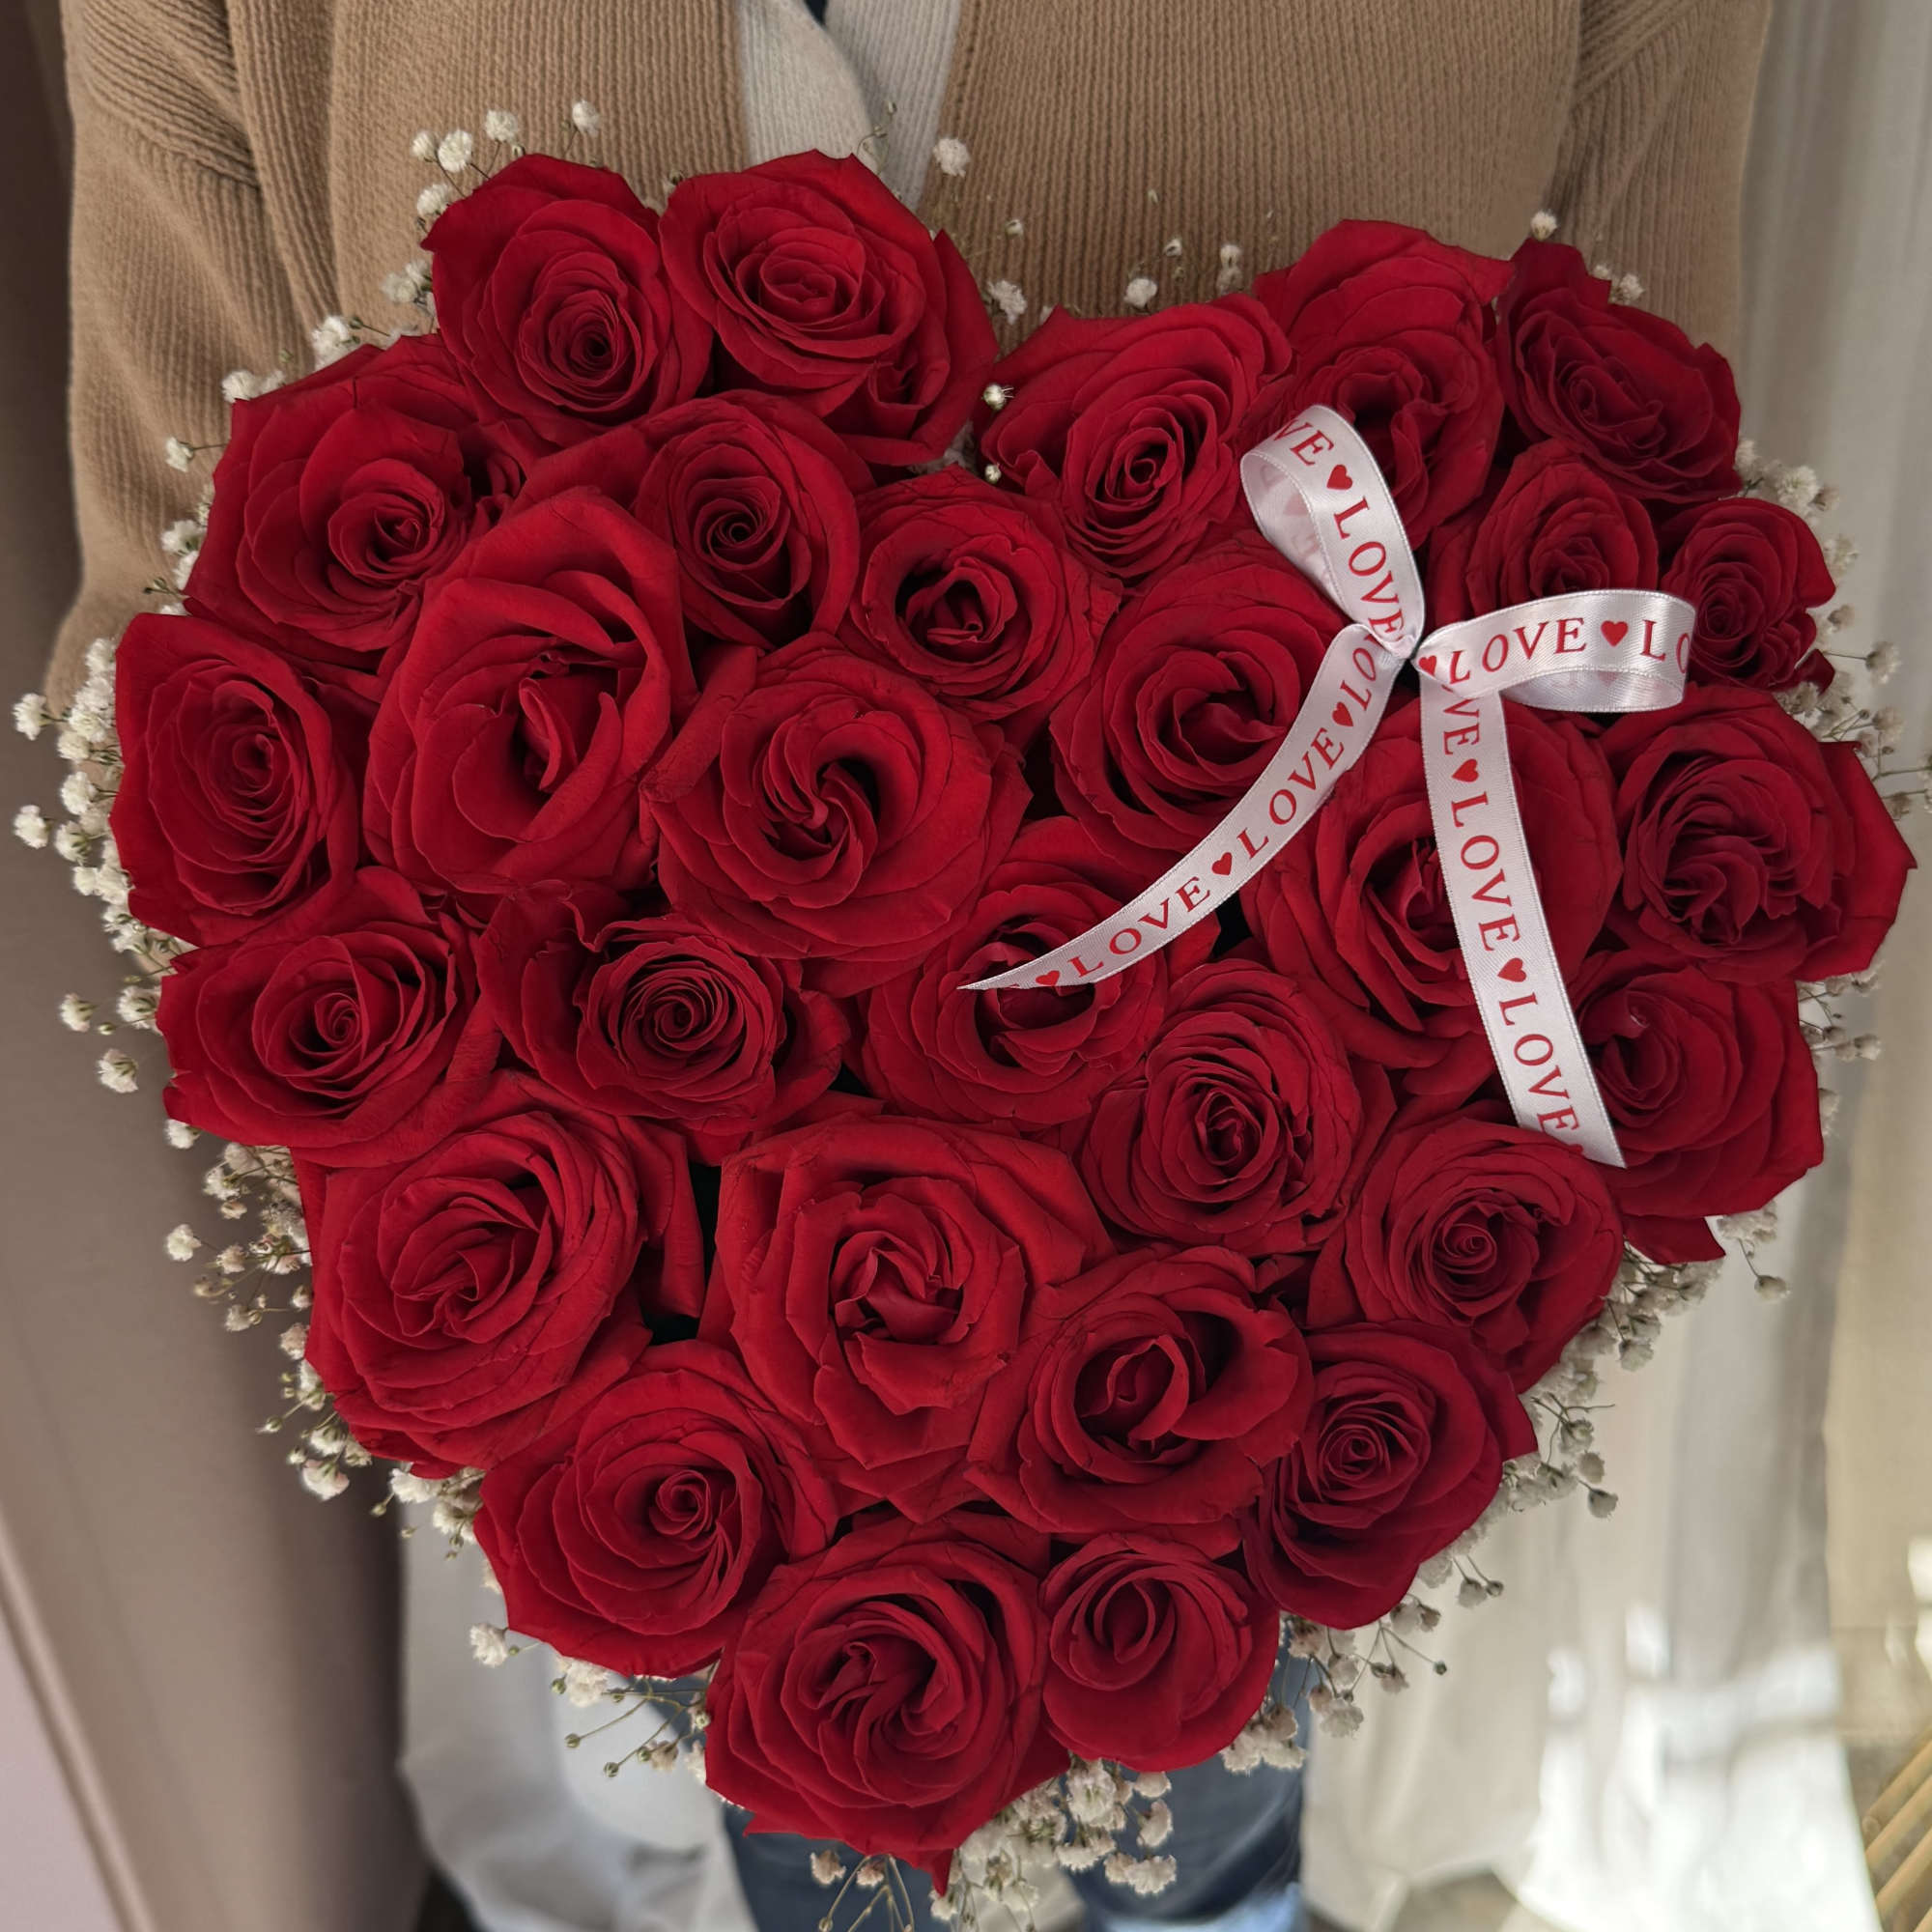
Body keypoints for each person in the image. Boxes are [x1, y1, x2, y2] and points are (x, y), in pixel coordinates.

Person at [40, 4, 1772, 1929]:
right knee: (822, 1840)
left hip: (1259, 1339)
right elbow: (169, 655)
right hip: (661, 1383)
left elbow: (1644, 537)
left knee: (1191, 1859)